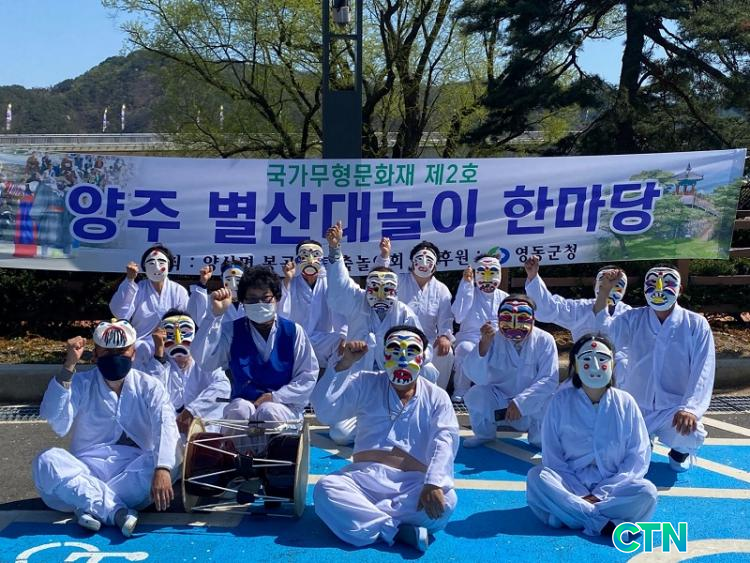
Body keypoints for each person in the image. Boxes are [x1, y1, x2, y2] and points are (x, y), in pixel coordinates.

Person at [311, 326, 459, 552]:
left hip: (411, 485)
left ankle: (371, 522)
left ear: (423, 358)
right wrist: (343, 365)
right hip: (363, 480)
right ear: (383, 355)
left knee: (447, 501)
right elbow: (325, 412)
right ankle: (396, 529)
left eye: (411, 351)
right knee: (325, 489)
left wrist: (433, 483)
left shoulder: (437, 396)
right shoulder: (364, 382)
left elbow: (445, 439)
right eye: (394, 351)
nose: (402, 359)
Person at [32, 320, 179, 537]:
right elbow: (56, 419)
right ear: (95, 354)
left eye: (121, 351)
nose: (115, 357)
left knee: (172, 456)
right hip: (85, 469)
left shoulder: (149, 385)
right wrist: (69, 366)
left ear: (133, 353)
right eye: (108, 352)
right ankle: (116, 512)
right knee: (47, 460)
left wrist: (163, 468)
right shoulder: (81, 383)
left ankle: (88, 505)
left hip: (131, 472)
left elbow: (165, 424)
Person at [526, 334, 657, 539]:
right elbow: (553, 457)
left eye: (602, 360)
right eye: (587, 360)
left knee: (647, 492)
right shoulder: (559, 401)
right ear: (576, 366)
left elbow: (637, 456)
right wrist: (580, 492)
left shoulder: (626, 402)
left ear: (613, 364)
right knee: (537, 477)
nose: (595, 366)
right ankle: (602, 523)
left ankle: (570, 515)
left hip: (613, 487)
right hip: (569, 483)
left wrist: (601, 493)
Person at [324, 221, 436, 445]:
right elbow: (340, 285)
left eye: (388, 289)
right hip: (361, 383)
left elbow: (425, 348)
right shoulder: (357, 300)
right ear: (367, 289)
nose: (381, 294)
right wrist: (335, 250)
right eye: (375, 288)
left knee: (428, 370)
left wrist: (409, 358)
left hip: (396, 383)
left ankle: (406, 414)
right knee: (340, 434)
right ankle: (381, 424)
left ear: (396, 290)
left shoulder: (404, 313)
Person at [594, 265, 715, 472]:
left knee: (692, 433)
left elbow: (703, 369)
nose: (659, 288)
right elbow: (604, 335)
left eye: (667, 283)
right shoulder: (632, 318)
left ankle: (679, 452)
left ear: (680, 289)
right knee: (609, 449)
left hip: (673, 408)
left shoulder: (695, 324)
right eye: (652, 283)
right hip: (636, 405)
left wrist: (690, 409)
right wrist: (604, 292)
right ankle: (643, 440)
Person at [191, 265, 319, 423]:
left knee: (268, 412)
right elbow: (204, 360)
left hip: (284, 406)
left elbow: (308, 375)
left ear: (277, 298)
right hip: (245, 404)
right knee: (239, 410)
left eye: (265, 298)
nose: (259, 303)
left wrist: (275, 397)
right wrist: (214, 315)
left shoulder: (293, 331)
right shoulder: (231, 330)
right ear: (243, 301)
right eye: (252, 299)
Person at [462, 294, 558, 448]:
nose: (514, 324)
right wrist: (483, 345)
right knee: (476, 394)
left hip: (530, 406)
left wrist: (521, 403)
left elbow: (549, 378)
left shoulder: (545, 340)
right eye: (507, 318)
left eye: (522, 318)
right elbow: (474, 375)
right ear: (499, 319)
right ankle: (484, 435)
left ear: (533, 319)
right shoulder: (492, 337)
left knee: (550, 399)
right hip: (499, 403)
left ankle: (539, 440)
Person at [375, 239, 455, 389]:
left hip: (428, 343)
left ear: (435, 265)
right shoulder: (399, 280)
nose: (424, 263)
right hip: (398, 340)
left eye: (429, 259)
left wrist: (445, 336)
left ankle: (438, 394)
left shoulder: (441, 289)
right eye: (419, 258)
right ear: (412, 262)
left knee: (447, 351)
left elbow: (446, 320)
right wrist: (385, 256)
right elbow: (381, 278)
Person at [145, 309, 231, 434]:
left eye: (185, 332)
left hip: (205, 429)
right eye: (170, 334)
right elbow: (151, 395)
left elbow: (223, 386)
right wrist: (159, 354)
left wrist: (192, 410)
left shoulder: (205, 361)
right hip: (168, 431)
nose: (178, 339)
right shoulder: (159, 364)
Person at [279, 239, 347, 368]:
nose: (310, 260)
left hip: (321, 340)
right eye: (304, 255)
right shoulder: (290, 282)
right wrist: (287, 279)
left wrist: (344, 336)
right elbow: (281, 312)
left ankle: (330, 377)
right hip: (295, 340)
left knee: (345, 341)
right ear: (298, 259)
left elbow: (339, 311)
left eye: (316, 255)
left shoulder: (329, 282)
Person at [451, 254, 509, 401]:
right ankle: (461, 389)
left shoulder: (505, 297)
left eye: (493, 272)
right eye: (482, 273)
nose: (487, 278)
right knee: (464, 349)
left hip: (496, 340)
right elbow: (458, 316)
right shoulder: (468, 291)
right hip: (470, 338)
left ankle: (497, 390)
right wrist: (466, 286)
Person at [109, 244, 192, 339]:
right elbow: (120, 313)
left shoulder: (178, 291)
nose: (157, 267)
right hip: (141, 341)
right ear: (145, 266)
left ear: (169, 265)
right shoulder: (137, 289)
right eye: (151, 263)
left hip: (170, 342)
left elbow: (185, 320)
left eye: (161, 262)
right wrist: (129, 279)